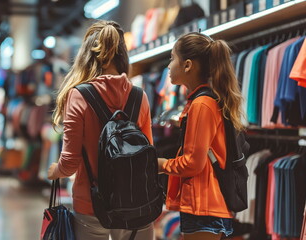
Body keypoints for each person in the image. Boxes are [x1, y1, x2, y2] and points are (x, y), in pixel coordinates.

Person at [47, 20, 155, 240]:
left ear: (86, 56)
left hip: (92, 204)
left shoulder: (78, 96)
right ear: (122, 55)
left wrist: (54, 171)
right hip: (136, 204)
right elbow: (149, 154)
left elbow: (69, 163)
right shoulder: (139, 96)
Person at [157, 32, 245, 240]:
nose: (169, 66)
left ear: (188, 65)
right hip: (203, 203)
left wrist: (161, 165)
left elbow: (193, 163)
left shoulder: (202, 104)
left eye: (172, 58)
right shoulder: (200, 102)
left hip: (204, 204)